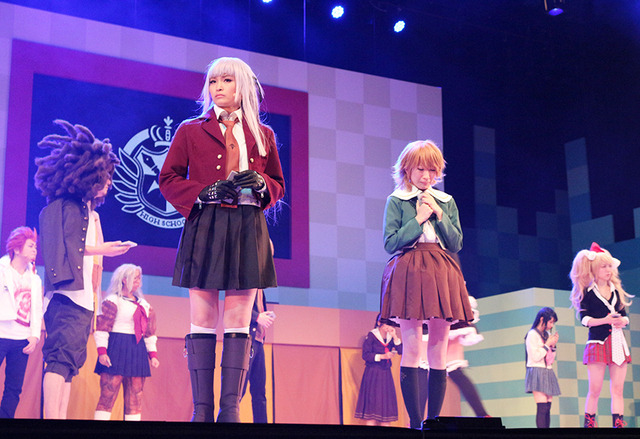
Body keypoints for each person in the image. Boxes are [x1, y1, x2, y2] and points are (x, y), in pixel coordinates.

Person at [159, 57, 285, 423]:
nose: (218, 87)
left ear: (242, 86)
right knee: (202, 318)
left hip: (248, 224)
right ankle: (201, 412)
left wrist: (263, 184)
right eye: (213, 81)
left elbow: (278, 183)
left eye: (226, 80)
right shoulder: (190, 130)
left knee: (239, 320)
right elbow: (168, 178)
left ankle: (229, 411)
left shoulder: (263, 134)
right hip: (207, 223)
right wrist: (203, 191)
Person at [34, 120, 133, 419]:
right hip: (66, 297)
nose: (108, 183)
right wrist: (104, 249)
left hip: (82, 300)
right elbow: (69, 246)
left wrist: (95, 299)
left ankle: (59, 419)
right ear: (88, 176)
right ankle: (51, 419)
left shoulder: (88, 211)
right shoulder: (67, 206)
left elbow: (88, 256)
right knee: (59, 360)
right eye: (104, 177)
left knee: (70, 365)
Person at [380, 140, 474, 429]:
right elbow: (390, 243)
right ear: (407, 169)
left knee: (438, 349)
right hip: (409, 268)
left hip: (441, 270)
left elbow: (456, 243)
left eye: (432, 170)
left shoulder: (446, 201)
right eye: (420, 169)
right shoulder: (396, 200)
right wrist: (418, 219)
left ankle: (433, 422)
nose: (426, 176)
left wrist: (439, 215)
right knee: (411, 348)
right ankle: (414, 423)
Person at [569, 242, 632, 428]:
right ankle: (590, 424)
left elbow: (625, 316)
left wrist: (622, 321)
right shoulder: (587, 293)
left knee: (618, 389)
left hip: (617, 341)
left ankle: (618, 424)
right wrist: (605, 320)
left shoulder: (616, 291)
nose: (608, 270)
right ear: (594, 270)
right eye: (603, 266)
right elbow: (584, 319)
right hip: (597, 342)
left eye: (609, 266)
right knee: (595, 389)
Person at [93, 264, 159, 421]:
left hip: (137, 351)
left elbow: (149, 332)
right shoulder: (112, 301)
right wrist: (102, 352)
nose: (138, 282)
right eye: (135, 278)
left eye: (139, 278)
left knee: (135, 397)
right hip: (116, 349)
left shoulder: (145, 305)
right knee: (108, 394)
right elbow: (102, 328)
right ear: (124, 280)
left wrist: (153, 355)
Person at [0, 227, 43, 418]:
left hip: (21, 340)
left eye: (35, 246)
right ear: (17, 249)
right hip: (1, 334)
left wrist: (34, 335)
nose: (35, 249)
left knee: (14, 388)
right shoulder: (2, 270)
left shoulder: (34, 278)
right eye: (31, 246)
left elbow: (37, 308)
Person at [445, 296, 489, 418]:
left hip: (447, 313)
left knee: (454, 372)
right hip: (437, 316)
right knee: (428, 373)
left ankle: (482, 414)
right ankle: (417, 420)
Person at [354, 315, 402, 426]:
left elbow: (401, 350)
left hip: (386, 374)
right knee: (372, 409)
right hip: (373, 373)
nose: (388, 327)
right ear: (379, 323)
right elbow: (366, 355)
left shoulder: (390, 337)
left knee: (385, 409)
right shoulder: (372, 335)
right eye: (386, 324)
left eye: (390, 325)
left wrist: (395, 336)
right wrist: (382, 356)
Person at [240, 288, 274, 423]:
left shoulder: (260, 289)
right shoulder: (247, 283)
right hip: (248, 341)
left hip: (259, 342)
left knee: (259, 392)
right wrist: (257, 317)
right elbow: (238, 307)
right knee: (239, 390)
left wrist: (264, 315)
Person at [525, 307, 560, 428]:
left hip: (548, 371)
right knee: (542, 407)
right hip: (536, 370)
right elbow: (535, 357)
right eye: (550, 322)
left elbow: (550, 359)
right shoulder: (532, 334)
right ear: (541, 319)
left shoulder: (547, 335)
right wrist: (547, 345)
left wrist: (553, 346)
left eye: (553, 323)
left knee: (548, 408)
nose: (551, 325)